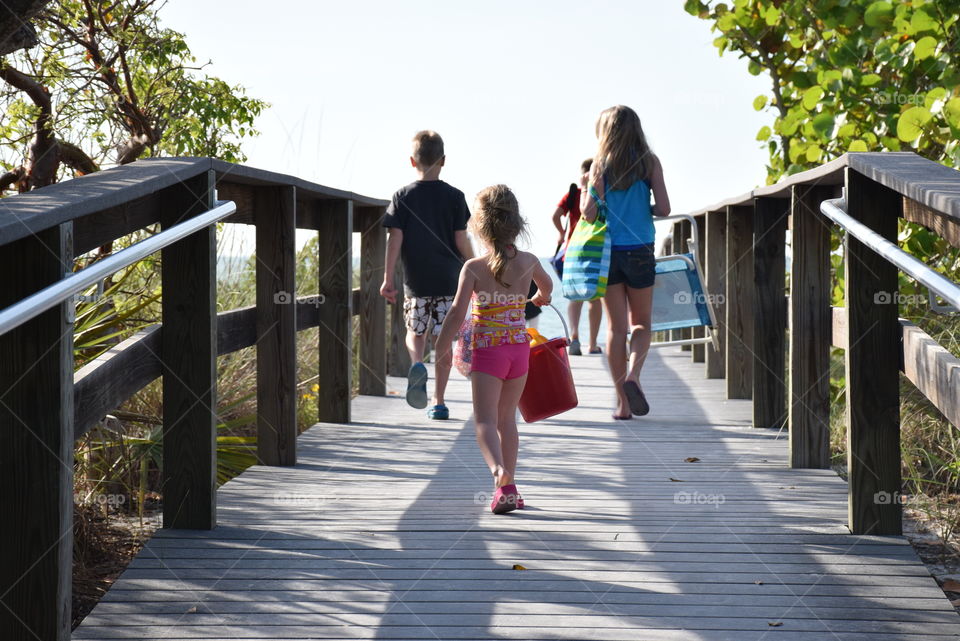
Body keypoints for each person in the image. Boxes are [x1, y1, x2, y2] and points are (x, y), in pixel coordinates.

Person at [436, 185, 553, 514]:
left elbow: (458, 313)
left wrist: (441, 346)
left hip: (489, 352)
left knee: (484, 421)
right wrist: (541, 297)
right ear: (517, 223)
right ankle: (509, 488)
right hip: (519, 351)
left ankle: (498, 473)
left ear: (478, 226)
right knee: (507, 421)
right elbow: (547, 287)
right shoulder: (529, 262)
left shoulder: (473, 267)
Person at [581, 105, 671, 420]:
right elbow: (664, 208)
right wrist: (641, 203)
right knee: (642, 323)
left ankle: (622, 403)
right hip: (641, 248)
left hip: (608, 252)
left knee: (616, 329)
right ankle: (634, 374)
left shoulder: (598, 166)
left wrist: (592, 186)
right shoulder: (649, 162)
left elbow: (588, 213)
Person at [381, 130, 474, 420]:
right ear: (443, 160)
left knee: (414, 331)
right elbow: (461, 239)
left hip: (416, 282)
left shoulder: (402, 196)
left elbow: (394, 240)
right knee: (443, 341)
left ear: (412, 161)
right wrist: (477, 267)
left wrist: (388, 278)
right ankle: (439, 401)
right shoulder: (455, 197)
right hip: (448, 281)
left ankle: (416, 363)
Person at [552, 158, 603, 355]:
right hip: (595, 250)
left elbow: (555, 215)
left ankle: (574, 336)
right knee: (594, 297)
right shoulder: (597, 193)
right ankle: (592, 343)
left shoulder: (573, 194)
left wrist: (561, 233)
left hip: (573, 250)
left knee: (575, 295)